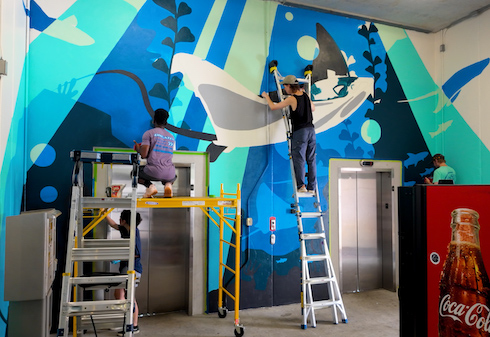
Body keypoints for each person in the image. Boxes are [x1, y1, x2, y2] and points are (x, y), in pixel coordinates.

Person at [262, 75, 317, 193]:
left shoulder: (292, 99)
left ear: (289, 86)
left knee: (299, 159)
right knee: (311, 159)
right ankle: (312, 187)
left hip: (300, 132)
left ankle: (301, 186)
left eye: (285, 87)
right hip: (311, 130)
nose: (284, 90)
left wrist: (266, 96)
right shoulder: (306, 95)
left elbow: (273, 107)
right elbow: (313, 108)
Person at [107, 210, 143, 335]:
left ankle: (131, 326)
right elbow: (113, 225)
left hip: (132, 269)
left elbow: (135, 253)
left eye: (120, 218)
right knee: (122, 295)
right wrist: (103, 213)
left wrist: (119, 257)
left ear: (124, 220)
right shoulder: (126, 230)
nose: (118, 221)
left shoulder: (133, 233)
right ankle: (129, 324)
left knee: (128, 298)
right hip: (127, 269)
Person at [133, 108, 176, 198]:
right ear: (166, 123)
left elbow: (144, 155)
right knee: (173, 175)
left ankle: (150, 187)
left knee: (134, 172)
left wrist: (138, 149)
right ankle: (168, 185)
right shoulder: (172, 137)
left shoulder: (149, 134)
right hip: (169, 173)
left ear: (154, 121)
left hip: (153, 171)